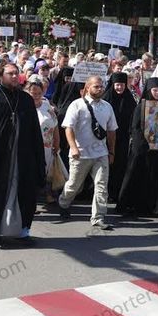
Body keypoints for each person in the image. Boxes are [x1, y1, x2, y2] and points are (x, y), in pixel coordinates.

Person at [0, 63, 46, 246]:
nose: (14, 77)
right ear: (0, 75)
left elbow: (35, 131)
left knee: (24, 193)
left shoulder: (26, 100)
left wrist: (38, 158)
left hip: (22, 158)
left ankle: (22, 231)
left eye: (16, 73)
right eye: (10, 73)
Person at [58, 75, 117, 230]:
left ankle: (98, 217)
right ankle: (63, 202)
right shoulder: (76, 105)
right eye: (96, 86)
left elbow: (111, 131)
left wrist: (111, 152)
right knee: (74, 185)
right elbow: (68, 128)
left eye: (101, 86)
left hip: (100, 153)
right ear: (87, 87)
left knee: (101, 184)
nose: (100, 89)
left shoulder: (107, 107)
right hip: (80, 153)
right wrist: (73, 147)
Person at [119, 77, 158, 216]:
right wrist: (146, 143)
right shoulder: (141, 107)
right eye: (155, 90)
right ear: (149, 90)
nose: (157, 93)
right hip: (145, 150)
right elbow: (135, 127)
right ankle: (137, 207)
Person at [103, 72, 137, 208]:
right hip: (106, 138)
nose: (119, 88)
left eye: (122, 85)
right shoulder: (106, 99)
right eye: (117, 85)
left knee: (120, 165)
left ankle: (117, 192)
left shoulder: (129, 100)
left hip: (123, 139)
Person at [25, 79, 60, 205]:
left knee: (47, 171)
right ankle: (30, 200)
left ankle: (48, 193)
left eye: (39, 93)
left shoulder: (47, 107)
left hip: (47, 146)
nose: (36, 96)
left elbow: (55, 126)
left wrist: (57, 144)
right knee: (30, 174)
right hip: (28, 148)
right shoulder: (22, 107)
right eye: (33, 93)